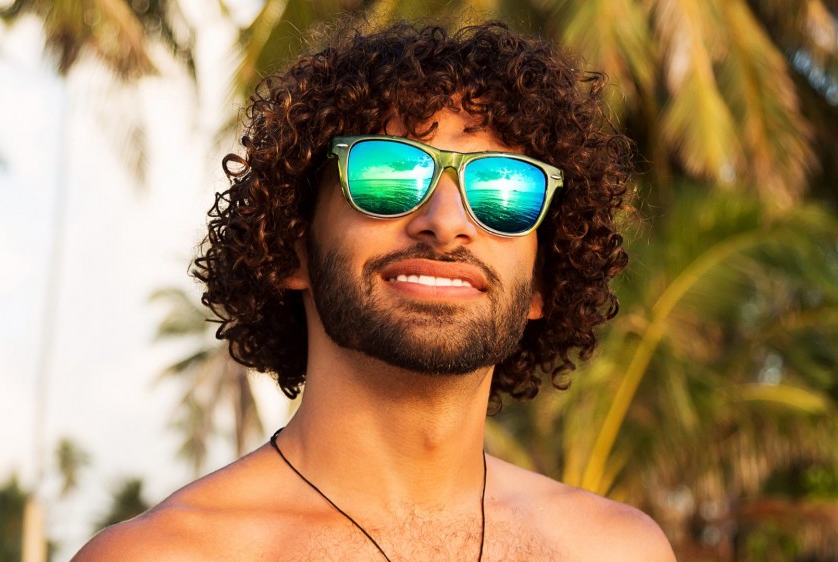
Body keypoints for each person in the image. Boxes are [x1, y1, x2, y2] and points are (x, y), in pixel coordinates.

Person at [75, 20, 676, 561]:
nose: (447, 220)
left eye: (504, 190)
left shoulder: (618, 550)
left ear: (543, 282)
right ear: (293, 248)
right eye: (387, 174)